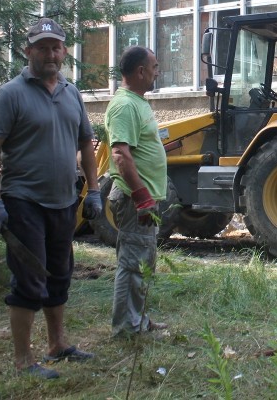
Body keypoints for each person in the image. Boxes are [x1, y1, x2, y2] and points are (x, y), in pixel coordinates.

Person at [0, 18, 102, 379]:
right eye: (42, 47)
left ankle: (58, 344)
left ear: (64, 52)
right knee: (30, 280)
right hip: (23, 201)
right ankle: (22, 361)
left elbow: (85, 144)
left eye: (56, 47)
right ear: (27, 50)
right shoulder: (10, 94)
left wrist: (93, 191)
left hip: (64, 201)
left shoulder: (71, 93)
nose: (50, 53)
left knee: (60, 275)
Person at [105, 46, 169, 338]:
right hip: (134, 200)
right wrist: (142, 197)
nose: (158, 72)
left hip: (143, 199)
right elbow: (120, 154)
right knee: (132, 264)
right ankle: (127, 328)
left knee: (142, 260)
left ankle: (138, 320)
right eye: (154, 67)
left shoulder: (138, 102)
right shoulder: (125, 106)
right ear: (141, 71)